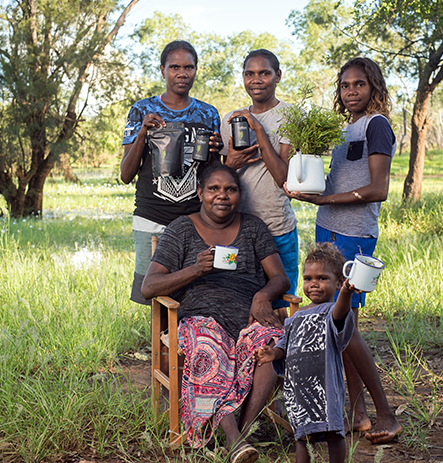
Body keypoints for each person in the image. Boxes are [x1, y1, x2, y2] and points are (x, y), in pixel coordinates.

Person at [285, 57, 402, 444]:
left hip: (353, 234)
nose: (351, 92)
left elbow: (378, 189)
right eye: (345, 85)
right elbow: (332, 181)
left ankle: (385, 412)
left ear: (374, 88)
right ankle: (357, 413)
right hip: (329, 230)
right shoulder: (345, 129)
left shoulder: (376, 126)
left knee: (346, 327)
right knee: (336, 324)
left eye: (359, 85)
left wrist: (328, 199)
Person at [141, 164, 289, 463]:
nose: (222, 195)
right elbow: (149, 286)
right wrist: (196, 269)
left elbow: (280, 278)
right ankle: (235, 439)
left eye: (230, 189)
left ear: (239, 194)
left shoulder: (252, 228)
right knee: (209, 345)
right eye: (214, 189)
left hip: (247, 319)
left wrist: (262, 295)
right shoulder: (181, 229)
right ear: (200, 194)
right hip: (200, 320)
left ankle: (243, 430)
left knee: (271, 341)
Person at [120, 40, 223, 306]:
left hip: (194, 220)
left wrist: (214, 152)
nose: (182, 73)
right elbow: (126, 173)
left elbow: (212, 177)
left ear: (196, 70)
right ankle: (159, 346)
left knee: (193, 290)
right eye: (174, 67)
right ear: (163, 70)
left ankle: (183, 346)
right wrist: (143, 133)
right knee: (152, 292)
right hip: (151, 217)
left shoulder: (208, 113)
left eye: (189, 67)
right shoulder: (141, 110)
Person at [254, 243, 356, 463]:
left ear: (338, 282)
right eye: (308, 279)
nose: (314, 284)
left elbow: (339, 315)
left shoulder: (332, 311)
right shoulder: (296, 316)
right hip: (299, 390)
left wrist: (346, 294)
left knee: (333, 433)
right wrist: (273, 353)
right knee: (302, 437)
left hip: (325, 389)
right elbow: (285, 343)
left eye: (322, 278)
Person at [220, 49, 299, 305]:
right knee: (238, 302)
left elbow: (283, 178)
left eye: (264, 73)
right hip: (236, 230)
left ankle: (279, 347)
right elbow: (222, 175)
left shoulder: (290, 116)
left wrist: (258, 129)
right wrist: (230, 162)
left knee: (280, 303)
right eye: (249, 73)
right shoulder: (230, 119)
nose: (256, 79)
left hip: (277, 228)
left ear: (278, 76)